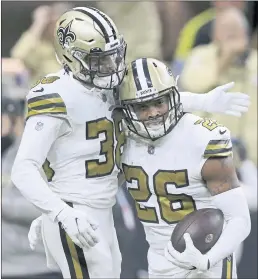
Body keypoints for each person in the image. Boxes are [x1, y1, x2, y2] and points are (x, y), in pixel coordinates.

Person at [12, 6, 251, 279]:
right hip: (76, 210)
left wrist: (203, 101)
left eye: (115, 56)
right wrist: (56, 212)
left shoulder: (106, 86)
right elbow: (24, 168)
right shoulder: (55, 95)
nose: (113, 68)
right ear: (73, 58)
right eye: (101, 60)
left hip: (102, 208)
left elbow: (150, 104)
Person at [117, 58, 250, 278]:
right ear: (128, 110)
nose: (152, 113)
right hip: (159, 260)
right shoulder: (122, 139)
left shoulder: (201, 139)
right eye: (142, 107)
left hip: (209, 254)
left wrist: (207, 260)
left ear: (173, 97)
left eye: (159, 102)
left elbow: (239, 220)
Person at [180, 7, 257, 165]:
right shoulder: (200, 55)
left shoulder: (255, 62)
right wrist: (225, 60)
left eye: (236, 30)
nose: (231, 35)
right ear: (215, 35)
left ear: (246, 34)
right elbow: (193, 83)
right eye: (226, 30)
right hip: (208, 152)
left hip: (251, 156)